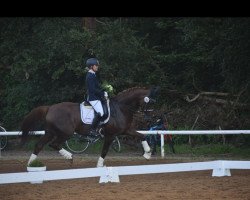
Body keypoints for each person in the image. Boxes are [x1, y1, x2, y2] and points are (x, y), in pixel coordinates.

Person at [85, 58, 108, 137]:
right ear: (91, 66)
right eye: (96, 65)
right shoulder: (90, 76)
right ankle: (92, 130)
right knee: (101, 113)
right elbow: (92, 89)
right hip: (93, 98)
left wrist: (104, 90)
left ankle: (101, 128)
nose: (97, 67)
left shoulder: (93, 75)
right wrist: (102, 93)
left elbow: (97, 87)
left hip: (96, 97)